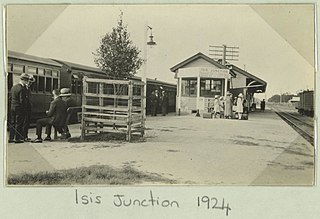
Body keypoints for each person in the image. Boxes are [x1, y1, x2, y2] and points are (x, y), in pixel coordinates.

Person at [9, 73, 29, 143]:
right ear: (24, 80)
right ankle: (17, 139)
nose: (27, 82)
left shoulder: (13, 87)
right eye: (27, 81)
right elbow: (22, 100)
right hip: (19, 108)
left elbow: (10, 98)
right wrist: (24, 108)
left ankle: (11, 138)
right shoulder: (22, 88)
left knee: (12, 122)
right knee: (19, 123)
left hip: (12, 106)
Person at [22, 75, 35, 142]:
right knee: (24, 122)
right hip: (25, 108)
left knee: (27, 122)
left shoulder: (28, 88)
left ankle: (25, 136)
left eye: (31, 83)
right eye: (29, 82)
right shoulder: (23, 88)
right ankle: (23, 136)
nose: (30, 84)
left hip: (28, 108)